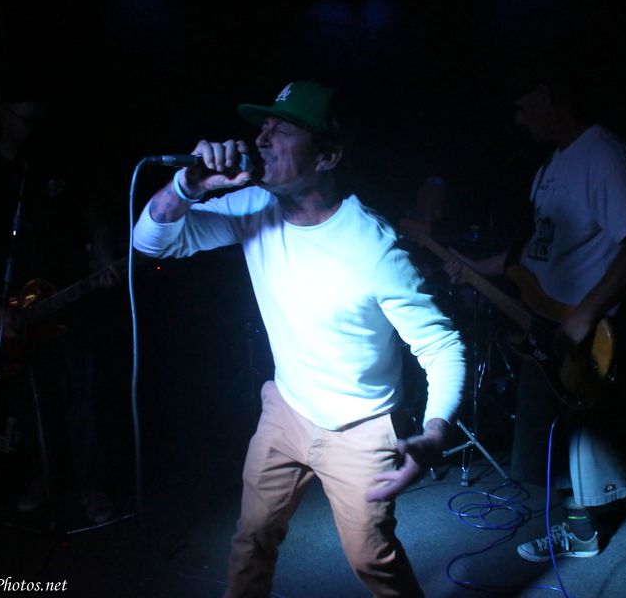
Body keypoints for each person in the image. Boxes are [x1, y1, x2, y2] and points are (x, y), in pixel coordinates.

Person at [132, 80, 466, 597]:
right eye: (262, 126)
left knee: (371, 560)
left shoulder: (374, 248)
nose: (261, 139)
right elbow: (150, 241)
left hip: (361, 426)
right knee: (251, 539)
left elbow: (442, 347)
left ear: (327, 156)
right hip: (287, 408)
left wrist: (435, 432)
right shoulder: (251, 206)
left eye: (281, 130)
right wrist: (188, 186)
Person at [445, 53, 626, 596]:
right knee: (564, 442)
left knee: (607, 440)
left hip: (590, 335)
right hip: (545, 328)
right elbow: (530, 257)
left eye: (522, 106)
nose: (518, 119)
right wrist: (472, 267)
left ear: (547, 96)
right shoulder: (548, 169)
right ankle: (582, 531)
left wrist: (583, 316)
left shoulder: (604, 155)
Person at [0, 84, 121, 526]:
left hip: (67, 302)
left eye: (39, 119)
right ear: (3, 113)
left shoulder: (58, 159)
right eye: (26, 119)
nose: (33, 128)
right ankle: (42, 477)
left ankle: (91, 485)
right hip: (8, 311)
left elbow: (93, 215)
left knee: (83, 398)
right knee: (28, 406)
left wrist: (103, 254)